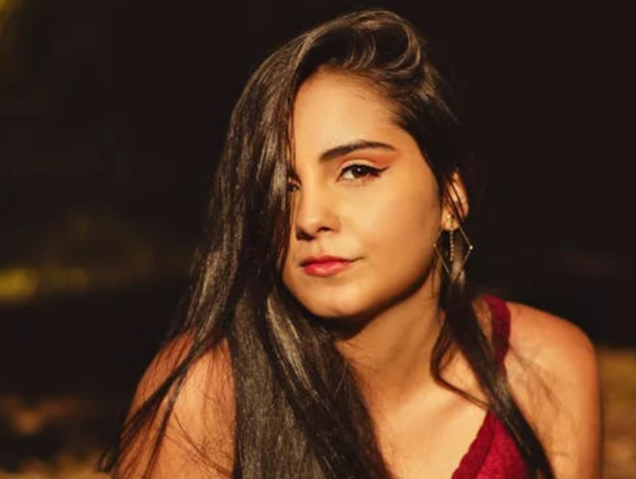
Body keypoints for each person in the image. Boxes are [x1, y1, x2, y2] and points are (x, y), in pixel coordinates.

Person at [100, 8, 602, 479]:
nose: (309, 218)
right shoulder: (206, 397)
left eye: (357, 171)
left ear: (451, 197)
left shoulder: (542, 368)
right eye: (283, 187)